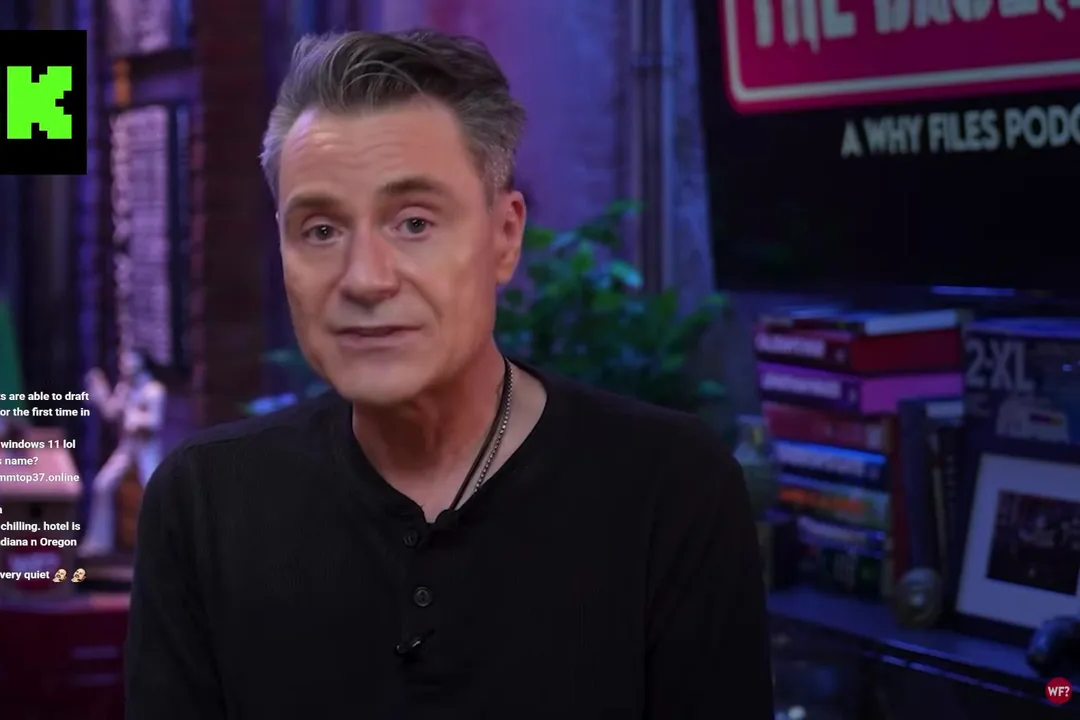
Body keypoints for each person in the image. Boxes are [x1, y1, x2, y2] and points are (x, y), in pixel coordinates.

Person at [126, 30, 772, 718]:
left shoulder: (668, 488)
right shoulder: (205, 504)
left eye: (413, 223)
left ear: (505, 236)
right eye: (321, 230)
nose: (365, 278)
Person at [79, 349, 166, 557]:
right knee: (102, 485)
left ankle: (164, 547)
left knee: (156, 493)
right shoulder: (125, 388)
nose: (122, 363)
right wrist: (100, 392)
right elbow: (111, 412)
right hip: (127, 449)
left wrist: (135, 419)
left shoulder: (154, 390)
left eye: (126, 358)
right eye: (121, 359)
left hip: (146, 449)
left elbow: (154, 422)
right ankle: (99, 542)